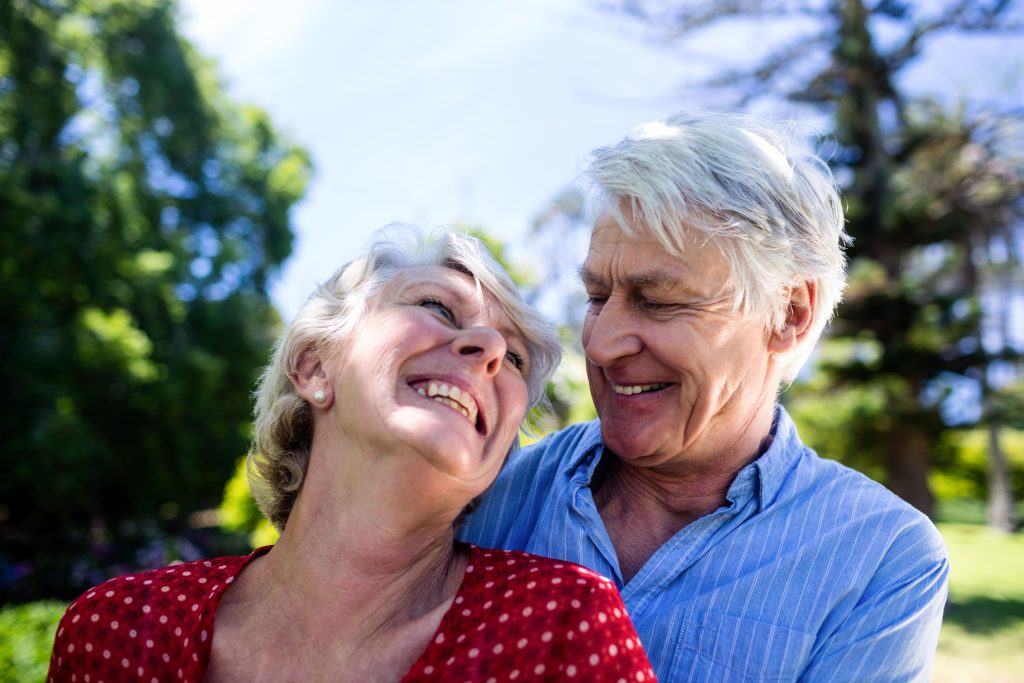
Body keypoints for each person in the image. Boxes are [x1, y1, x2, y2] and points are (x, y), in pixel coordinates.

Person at [460, 112, 950, 681]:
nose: (602, 343)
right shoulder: (485, 495)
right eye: (597, 296)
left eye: (659, 301)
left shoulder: (881, 559)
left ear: (789, 313)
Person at [48, 227, 657, 683]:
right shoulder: (120, 631)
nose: (490, 348)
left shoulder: (562, 627)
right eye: (437, 308)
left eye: (516, 360)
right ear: (315, 365)